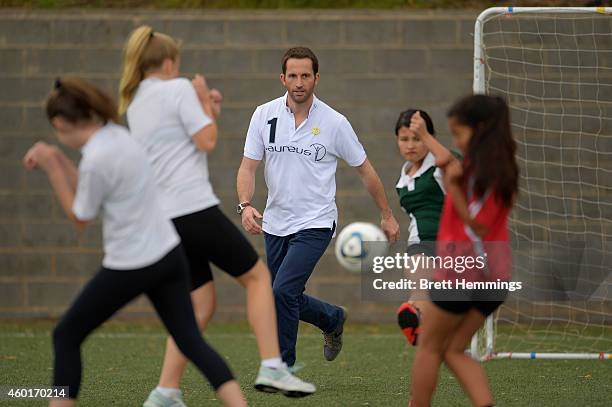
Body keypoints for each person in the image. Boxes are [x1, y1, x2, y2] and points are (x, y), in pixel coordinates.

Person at [118, 26, 315, 406]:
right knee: (258, 278)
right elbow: (206, 141)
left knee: (201, 303)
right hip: (192, 208)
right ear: (170, 61)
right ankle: (273, 364)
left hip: (163, 217)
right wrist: (204, 104)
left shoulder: (137, 98)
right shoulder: (176, 89)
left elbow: (185, 142)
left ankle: (165, 392)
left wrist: (206, 109)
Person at [23, 77, 246, 407]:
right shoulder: (117, 136)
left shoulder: (97, 158)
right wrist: (58, 157)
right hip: (168, 256)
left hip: (132, 265)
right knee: (190, 340)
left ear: (59, 123)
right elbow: (92, 185)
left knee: (65, 335)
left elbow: (81, 215)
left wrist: (51, 167)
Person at [236, 46, 401, 369]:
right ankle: (332, 318)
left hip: (316, 222)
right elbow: (247, 167)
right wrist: (245, 205)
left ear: (316, 78)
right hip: (275, 222)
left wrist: (386, 214)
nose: (299, 82)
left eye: (306, 76)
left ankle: (281, 367)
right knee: (282, 296)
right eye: (293, 76)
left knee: (282, 291)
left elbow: (365, 170)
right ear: (282, 78)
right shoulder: (263, 114)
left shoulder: (335, 122)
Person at [409, 95, 518, 407]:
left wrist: (454, 188)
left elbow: (478, 226)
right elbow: (447, 161)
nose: (456, 140)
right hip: (494, 278)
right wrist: (427, 136)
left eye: (459, 133)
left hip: (464, 273)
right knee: (453, 348)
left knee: (428, 347)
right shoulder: (494, 166)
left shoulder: (484, 174)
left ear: (480, 129)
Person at [393, 110, 456, 346]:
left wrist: (427, 136)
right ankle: (415, 318)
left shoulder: (439, 165)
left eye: (417, 138)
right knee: (419, 287)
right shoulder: (403, 178)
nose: (411, 145)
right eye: (404, 139)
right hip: (422, 243)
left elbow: (452, 163)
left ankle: (425, 322)